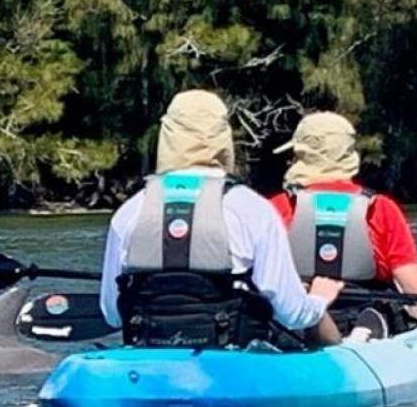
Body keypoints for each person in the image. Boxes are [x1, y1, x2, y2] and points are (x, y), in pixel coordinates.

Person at [99, 90, 344, 348]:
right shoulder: (252, 210)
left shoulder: (129, 212)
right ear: (222, 139)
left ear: (167, 137)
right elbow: (292, 314)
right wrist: (317, 301)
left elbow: (112, 314)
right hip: (234, 361)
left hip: (148, 356)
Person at [269, 111, 417, 335]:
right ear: (348, 155)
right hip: (362, 310)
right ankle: (367, 330)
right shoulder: (380, 208)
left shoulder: (276, 207)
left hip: (298, 315)